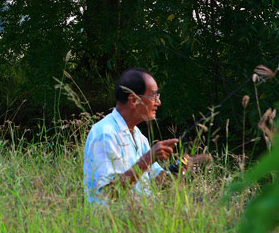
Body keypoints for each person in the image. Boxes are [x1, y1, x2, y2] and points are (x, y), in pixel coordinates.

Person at [83, 67, 202, 204]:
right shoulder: (104, 134)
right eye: (154, 96)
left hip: (138, 222)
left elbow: (159, 182)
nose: (158, 102)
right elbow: (107, 194)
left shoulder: (139, 137)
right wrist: (148, 158)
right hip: (111, 224)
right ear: (133, 100)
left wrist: (179, 169)